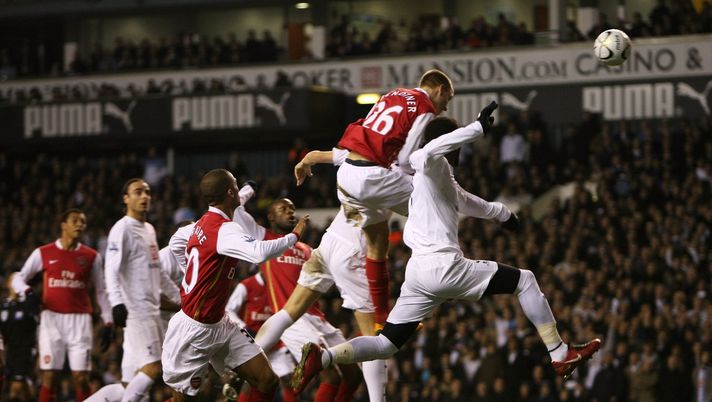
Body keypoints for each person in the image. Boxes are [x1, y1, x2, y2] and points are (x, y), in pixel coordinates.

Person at [290, 104, 602, 393]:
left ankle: (326, 358)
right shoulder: (427, 162)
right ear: (451, 141)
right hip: (444, 267)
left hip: (418, 275)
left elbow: (467, 201)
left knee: (386, 344)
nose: (460, 150)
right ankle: (560, 352)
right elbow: (427, 153)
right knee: (525, 280)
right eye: (458, 143)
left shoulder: (439, 179)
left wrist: (503, 215)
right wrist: (476, 129)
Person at [294, 69, 455, 328]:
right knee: (434, 212)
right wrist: (424, 170)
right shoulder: (425, 107)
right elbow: (404, 159)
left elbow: (364, 145)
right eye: (448, 99)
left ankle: (384, 318)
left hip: (350, 178)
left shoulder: (393, 95)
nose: (446, 107)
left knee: (379, 243)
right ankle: (430, 292)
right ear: (440, 90)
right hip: (370, 194)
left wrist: (315, 156)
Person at [161, 169, 308, 401]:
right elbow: (259, 253)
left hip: (221, 324)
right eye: (236, 185)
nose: (239, 189)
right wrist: (294, 236)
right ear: (230, 193)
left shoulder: (201, 224)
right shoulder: (224, 229)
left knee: (267, 380)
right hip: (193, 331)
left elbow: (176, 241)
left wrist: (189, 272)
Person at [255, 149, 387, 401]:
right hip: (300, 319)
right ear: (270, 217)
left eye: (292, 208)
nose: (289, 212)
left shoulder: (306, 249)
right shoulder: (268, 240)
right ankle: (242, 365)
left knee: (352, 375)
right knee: (360, 352)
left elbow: (322, 155)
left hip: (318, 307)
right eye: (283, 209)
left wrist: (307, 160)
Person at [11, 209, 113, 402]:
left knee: (81, 378)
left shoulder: (92, 257)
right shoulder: (43, 252)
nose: (79, 225)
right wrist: (27, 292)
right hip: (51, 319)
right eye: (74, 220)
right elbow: (19, 278)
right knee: (49, 376)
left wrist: (107, 321)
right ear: (63, 224)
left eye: (83, 222)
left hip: (80, 321)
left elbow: (101, 291)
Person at [102, 178, 180, 402]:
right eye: (138, 192)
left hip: (150, 310)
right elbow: (111, 268)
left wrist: (182, 299)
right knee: (154, 368)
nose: (144, 196)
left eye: (147, 192)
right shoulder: (122, 228)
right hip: (137, 312)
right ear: (126, 199)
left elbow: (159, 273)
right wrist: (116, 303)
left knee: (129, 382)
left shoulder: (149, 229)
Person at [225, 272, 297, 402]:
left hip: (276, 344)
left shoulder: (279, 284)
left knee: (290, 380)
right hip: (253, 342)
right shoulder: (246, 285)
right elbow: (229, 310)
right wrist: (243, 326)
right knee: (250, 383)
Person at [1, 274, 40, 402]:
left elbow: (38, 329)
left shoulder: (29, 306)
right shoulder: (3, 306)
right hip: (7, 352)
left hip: (25, 352)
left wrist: (39, 352)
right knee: (14, 388)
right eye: (14, 280)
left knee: (16, 387)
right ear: (8, 284)